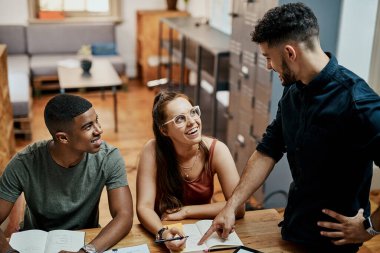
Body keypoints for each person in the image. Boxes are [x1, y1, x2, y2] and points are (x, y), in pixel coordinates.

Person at [198, 2, 380, 253]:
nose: (268, 66)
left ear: (290, 52)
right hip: (294, 227)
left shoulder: (359, 103)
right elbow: (268, 150)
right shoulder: (293, 92)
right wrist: (230, 206)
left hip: (335, 243)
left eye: (268, 58)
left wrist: (370, 227)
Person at [0, 94, 134, 253]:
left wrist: (87, 251)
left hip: (87, 240)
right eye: (88, 126)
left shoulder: (109, 157)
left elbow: (124, 216)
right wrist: (9, 251)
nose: (99, 130)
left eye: (96, 120)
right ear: (63, 138)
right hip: (35, 244)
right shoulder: (23, 163)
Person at [136, 90, 245, 252]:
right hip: (165, 231)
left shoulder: (218, 150)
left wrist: (186, 211)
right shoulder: (152, 150)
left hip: (205, 232)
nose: (192, 122)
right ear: (164, 130)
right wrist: (163, 233)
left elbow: (239, 207)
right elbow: (144, 207)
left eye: (193, 112)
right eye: (180, 119)